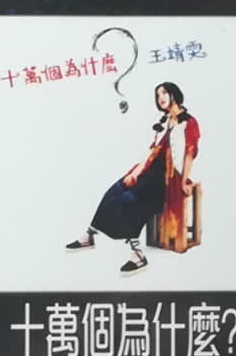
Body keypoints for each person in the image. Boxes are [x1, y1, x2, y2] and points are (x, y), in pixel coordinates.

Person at [65, 82, 201, 275]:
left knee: (130, 200)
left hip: (167, 177)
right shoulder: (164, 122)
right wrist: (136, 172)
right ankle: (89, 235)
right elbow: (153, 151)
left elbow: (190, 154)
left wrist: (184, 180)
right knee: (114, 190)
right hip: (149, 170)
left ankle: (138, 254)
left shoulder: (189, 122)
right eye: (157, 95)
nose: (160, 98)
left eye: (164, 93)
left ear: (174, 94)